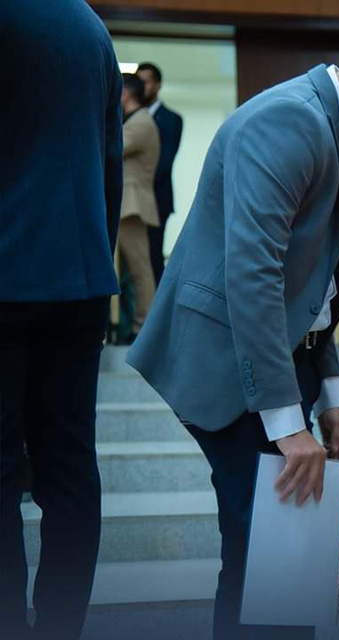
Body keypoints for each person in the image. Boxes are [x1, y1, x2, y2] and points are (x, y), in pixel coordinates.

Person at [127, 16, 339, 640]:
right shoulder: (287, 122)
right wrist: (287, 425)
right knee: (270, 558)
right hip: (228, 361)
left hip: (284, 356)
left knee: (277, 563)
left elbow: (317, 282)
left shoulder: (337, 128)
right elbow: (254, 278)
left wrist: (331, 393)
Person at [0, 1, 123, 638]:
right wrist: (95, 262)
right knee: (70, 469)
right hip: (79, 280)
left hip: (6, 275)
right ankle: (59, 628)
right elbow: (110, 165)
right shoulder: (90, 26)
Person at [118, 73, 161, 343]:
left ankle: (143, 327)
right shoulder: (137, 120)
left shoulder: (141, 122)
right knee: (131, 270)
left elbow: (114, 146)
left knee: (139, 269)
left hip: (131, 205)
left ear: (126, 93)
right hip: (127, 204)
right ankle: (134, 325)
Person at [137, 62, 183, 285]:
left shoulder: (171, 119)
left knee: (153, 258)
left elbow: (164, 163)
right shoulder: (126, 117)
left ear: (157, 85)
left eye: (145, 82)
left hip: (156, 199)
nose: (140, 87)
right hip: (131, 201)